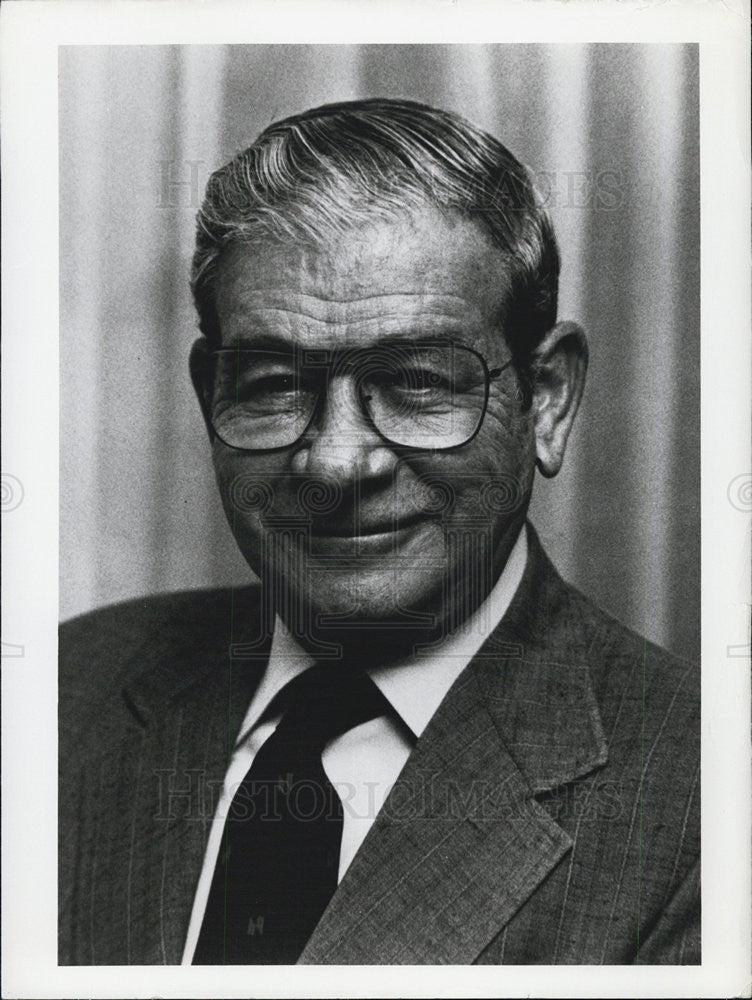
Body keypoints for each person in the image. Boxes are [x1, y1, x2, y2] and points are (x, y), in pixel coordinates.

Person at [59, 98, 700, 966]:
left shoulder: (703, 797)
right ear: (211, 393)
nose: (335, 463)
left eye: (417, 382)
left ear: (547, 400)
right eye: (275, 383)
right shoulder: (63, 696)